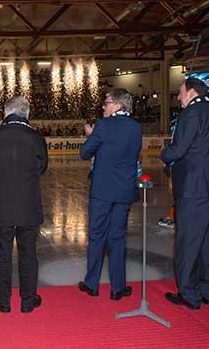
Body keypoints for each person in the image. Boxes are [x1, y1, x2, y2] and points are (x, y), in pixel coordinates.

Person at [161, 78, 209, 310]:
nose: (179, 98)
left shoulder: (191, 114)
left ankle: (189, 294)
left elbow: (179, 149)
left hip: (195, 190)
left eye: (180, 93)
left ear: (191, 92)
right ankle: (207, 290)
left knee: (189, 242)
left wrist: (165, 153)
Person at [0, 96, 48, 313]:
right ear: (26, 114)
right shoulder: (36, 137)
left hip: (1, 206)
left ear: (6, 112)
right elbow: (42, 167)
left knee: (2, 254)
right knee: (28, 255)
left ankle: (3, 300)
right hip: (28, 207)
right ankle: (28, 301)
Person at [78, 88, 142, 300]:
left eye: (106, 103)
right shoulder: (136, 127)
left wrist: (91, 136)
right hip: (124, 191)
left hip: (102, 192)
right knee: (118, 239)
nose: (103, 107)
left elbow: (85, 153)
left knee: (97, 237)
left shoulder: (103, 126)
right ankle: (118, 287)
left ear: (116, 104)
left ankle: (92, 284)